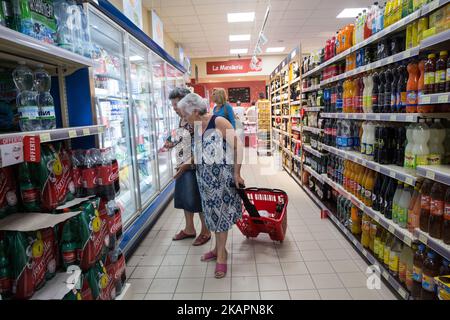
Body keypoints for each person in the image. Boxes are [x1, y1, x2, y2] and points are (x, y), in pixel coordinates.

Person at [176, 93, 245, 279]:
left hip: (222, 181)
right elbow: (199, 153)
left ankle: (222, 255)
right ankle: (217, 249)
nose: (183, 119)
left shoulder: (220, 122)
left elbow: (238, 146)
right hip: (205, 183)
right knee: (212, 216)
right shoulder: (197, 126)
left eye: (185, 115)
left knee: (221, 217)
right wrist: (186, 165)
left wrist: (237, 173)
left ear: (196, 111)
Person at [166, 88, 211, 246]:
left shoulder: (197, 119)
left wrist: (187, 162)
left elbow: (201, 147)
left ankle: (206, 231)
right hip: (183, 164)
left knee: (198, 198)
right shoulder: (182, 118)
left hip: (194, 165)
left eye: (176, 104)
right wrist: (171, 141)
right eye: (172, 106)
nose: (175, 108)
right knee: (185, 197)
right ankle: (189, 228)